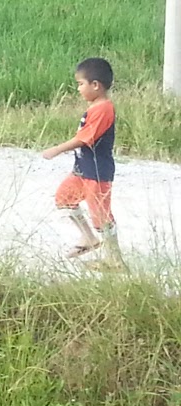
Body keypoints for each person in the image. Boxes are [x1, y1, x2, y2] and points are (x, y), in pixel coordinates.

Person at [40, 57, 121, 265]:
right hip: (82, 169)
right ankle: (89, 238)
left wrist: (57, 149)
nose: (78, 89)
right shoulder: (95, 107)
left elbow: (86, 138)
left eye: (81, 84)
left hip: (97, 171)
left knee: (101, 214)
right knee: (64, 198)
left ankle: (115, 260)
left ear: (96, 85)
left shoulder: (104, 109)